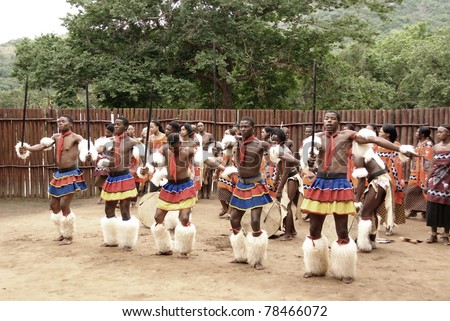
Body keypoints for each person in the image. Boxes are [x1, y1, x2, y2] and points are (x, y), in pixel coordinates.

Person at [300, 111, 416, 284]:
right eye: (326, 118)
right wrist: (309, 162)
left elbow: (375, 140)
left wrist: (401, 149)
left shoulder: (348, 135)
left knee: (342, 230)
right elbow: (307, 162)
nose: (329, 121)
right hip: (320, 184)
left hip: (339, 184)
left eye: (332, 119)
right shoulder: (315, 138)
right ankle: (315, 268)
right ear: (322, 122)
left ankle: (344, 270)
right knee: (314, 230)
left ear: (339, 122)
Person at [17, 115, 91, 245]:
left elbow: (86, 151)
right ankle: (62, 232)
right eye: (59, 121)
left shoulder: (76, 138)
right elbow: (41, 146)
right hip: (59, 174)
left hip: (71, 173)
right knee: (53, 205)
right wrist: (27, 148)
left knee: (64, 205)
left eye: (63, 121)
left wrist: (89, 155)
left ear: (70, 124)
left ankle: (69, 236)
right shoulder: (55, 137)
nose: (60, 123)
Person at [228, 117, 273, 270]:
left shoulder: (260, 144)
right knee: (234, 219)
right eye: (241, 126)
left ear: (253, 128)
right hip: (241, 184)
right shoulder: (237, 142)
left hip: (255, 184)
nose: (243, 128)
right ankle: (241, 254)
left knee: (255, 221)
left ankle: (258, 259)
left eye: (246, 126)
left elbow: (276, 154)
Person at [149, 133, 198, 258]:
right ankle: (165, 247)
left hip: (185, 186)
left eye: (174, 147)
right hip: (170, 186)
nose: (172, 150)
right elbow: (153, 160)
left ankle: (184, 249)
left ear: (180, 143)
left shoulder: (188, 151)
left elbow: (205, 158)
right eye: (170, 147)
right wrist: (149, 166)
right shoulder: (165, 149)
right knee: (158, 217)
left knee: (184, 217)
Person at [96, 117, 140, 251]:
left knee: (125, 210)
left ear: (126, 128)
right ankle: (111, 240)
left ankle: (128, 243)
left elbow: (142, 157)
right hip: (111, 178)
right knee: (108, 209)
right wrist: (95, 152)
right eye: (115, 124)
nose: (115, 126)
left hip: (124, 178)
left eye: (119, 125)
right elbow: (100, 150)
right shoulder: (109, 142)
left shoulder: (131, 142)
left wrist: (145, 168)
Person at [352, 128, 396, 253]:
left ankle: (363, 244)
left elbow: (361, 181)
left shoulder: (360, 155)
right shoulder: (369, 152)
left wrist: (356, 200)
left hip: (379, 182)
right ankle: (371, 240)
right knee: (372, 211)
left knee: (365, 212)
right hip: (382, 181)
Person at [375, 124, 407, 235]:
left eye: (381, 132)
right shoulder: (377, 145)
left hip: (390, 177)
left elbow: (397, 165)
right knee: (376, 201)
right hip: (377, 177)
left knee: (390, 202)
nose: (379, 133)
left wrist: (393, 181)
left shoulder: (396, 146)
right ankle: (377, 224)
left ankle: (389, 225)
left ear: (388, 134)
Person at [271, 128, 301, 241]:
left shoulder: (285, 152)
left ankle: (287, 234)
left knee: (286, 205)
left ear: (282, 141)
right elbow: (279, 167)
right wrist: (275, 179)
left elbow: (286, 173)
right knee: (286, 204)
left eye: (276, 141)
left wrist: (279, 189)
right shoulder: (277, 150)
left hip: (291, 178)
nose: (273, 143)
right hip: (286, 177)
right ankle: (292, 231)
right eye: (272, 140)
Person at [425, 125, 450, 245]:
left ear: (448, 133)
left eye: (441, 132)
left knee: (447, 208)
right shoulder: (435, 147)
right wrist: (426, 182)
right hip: (435, 181)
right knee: (432, 207)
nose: (438, 134)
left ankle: (446, 235)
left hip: (448, 182)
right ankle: (433, 234)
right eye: (438, 132)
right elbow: (432, 166)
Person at [404, 127, 434, 219]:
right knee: (411, 191)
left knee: (424, 192)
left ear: (423, 134)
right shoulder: (419, 144)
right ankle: (414, 210)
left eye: (417, 132)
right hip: (415, 172)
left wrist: (426, 175)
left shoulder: (428, 145)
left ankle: (425, 212)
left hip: (423, 173)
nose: (415, 133)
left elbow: (428, 161)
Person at [94, 124, 115, 204]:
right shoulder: (102, 139)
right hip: (101, 161)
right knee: (98, 180)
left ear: (113, 132)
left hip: (110, 162)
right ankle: (103, 195)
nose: (106, 134)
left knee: (109, 180)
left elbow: (102, 150)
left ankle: (108, 196)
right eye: (106, 132)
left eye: (109, 133)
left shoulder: (114, 140)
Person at [197, 122, 214, 199]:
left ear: (204, 127)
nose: (200, 127)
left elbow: (214, 146)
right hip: (199, 156)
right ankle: (201, 192)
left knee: (209, 174)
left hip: (207, 155)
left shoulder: (209, 135)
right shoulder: (196, 136)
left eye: (201, 126)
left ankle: (208, 193)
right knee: (200, 174)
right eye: (198, 126)